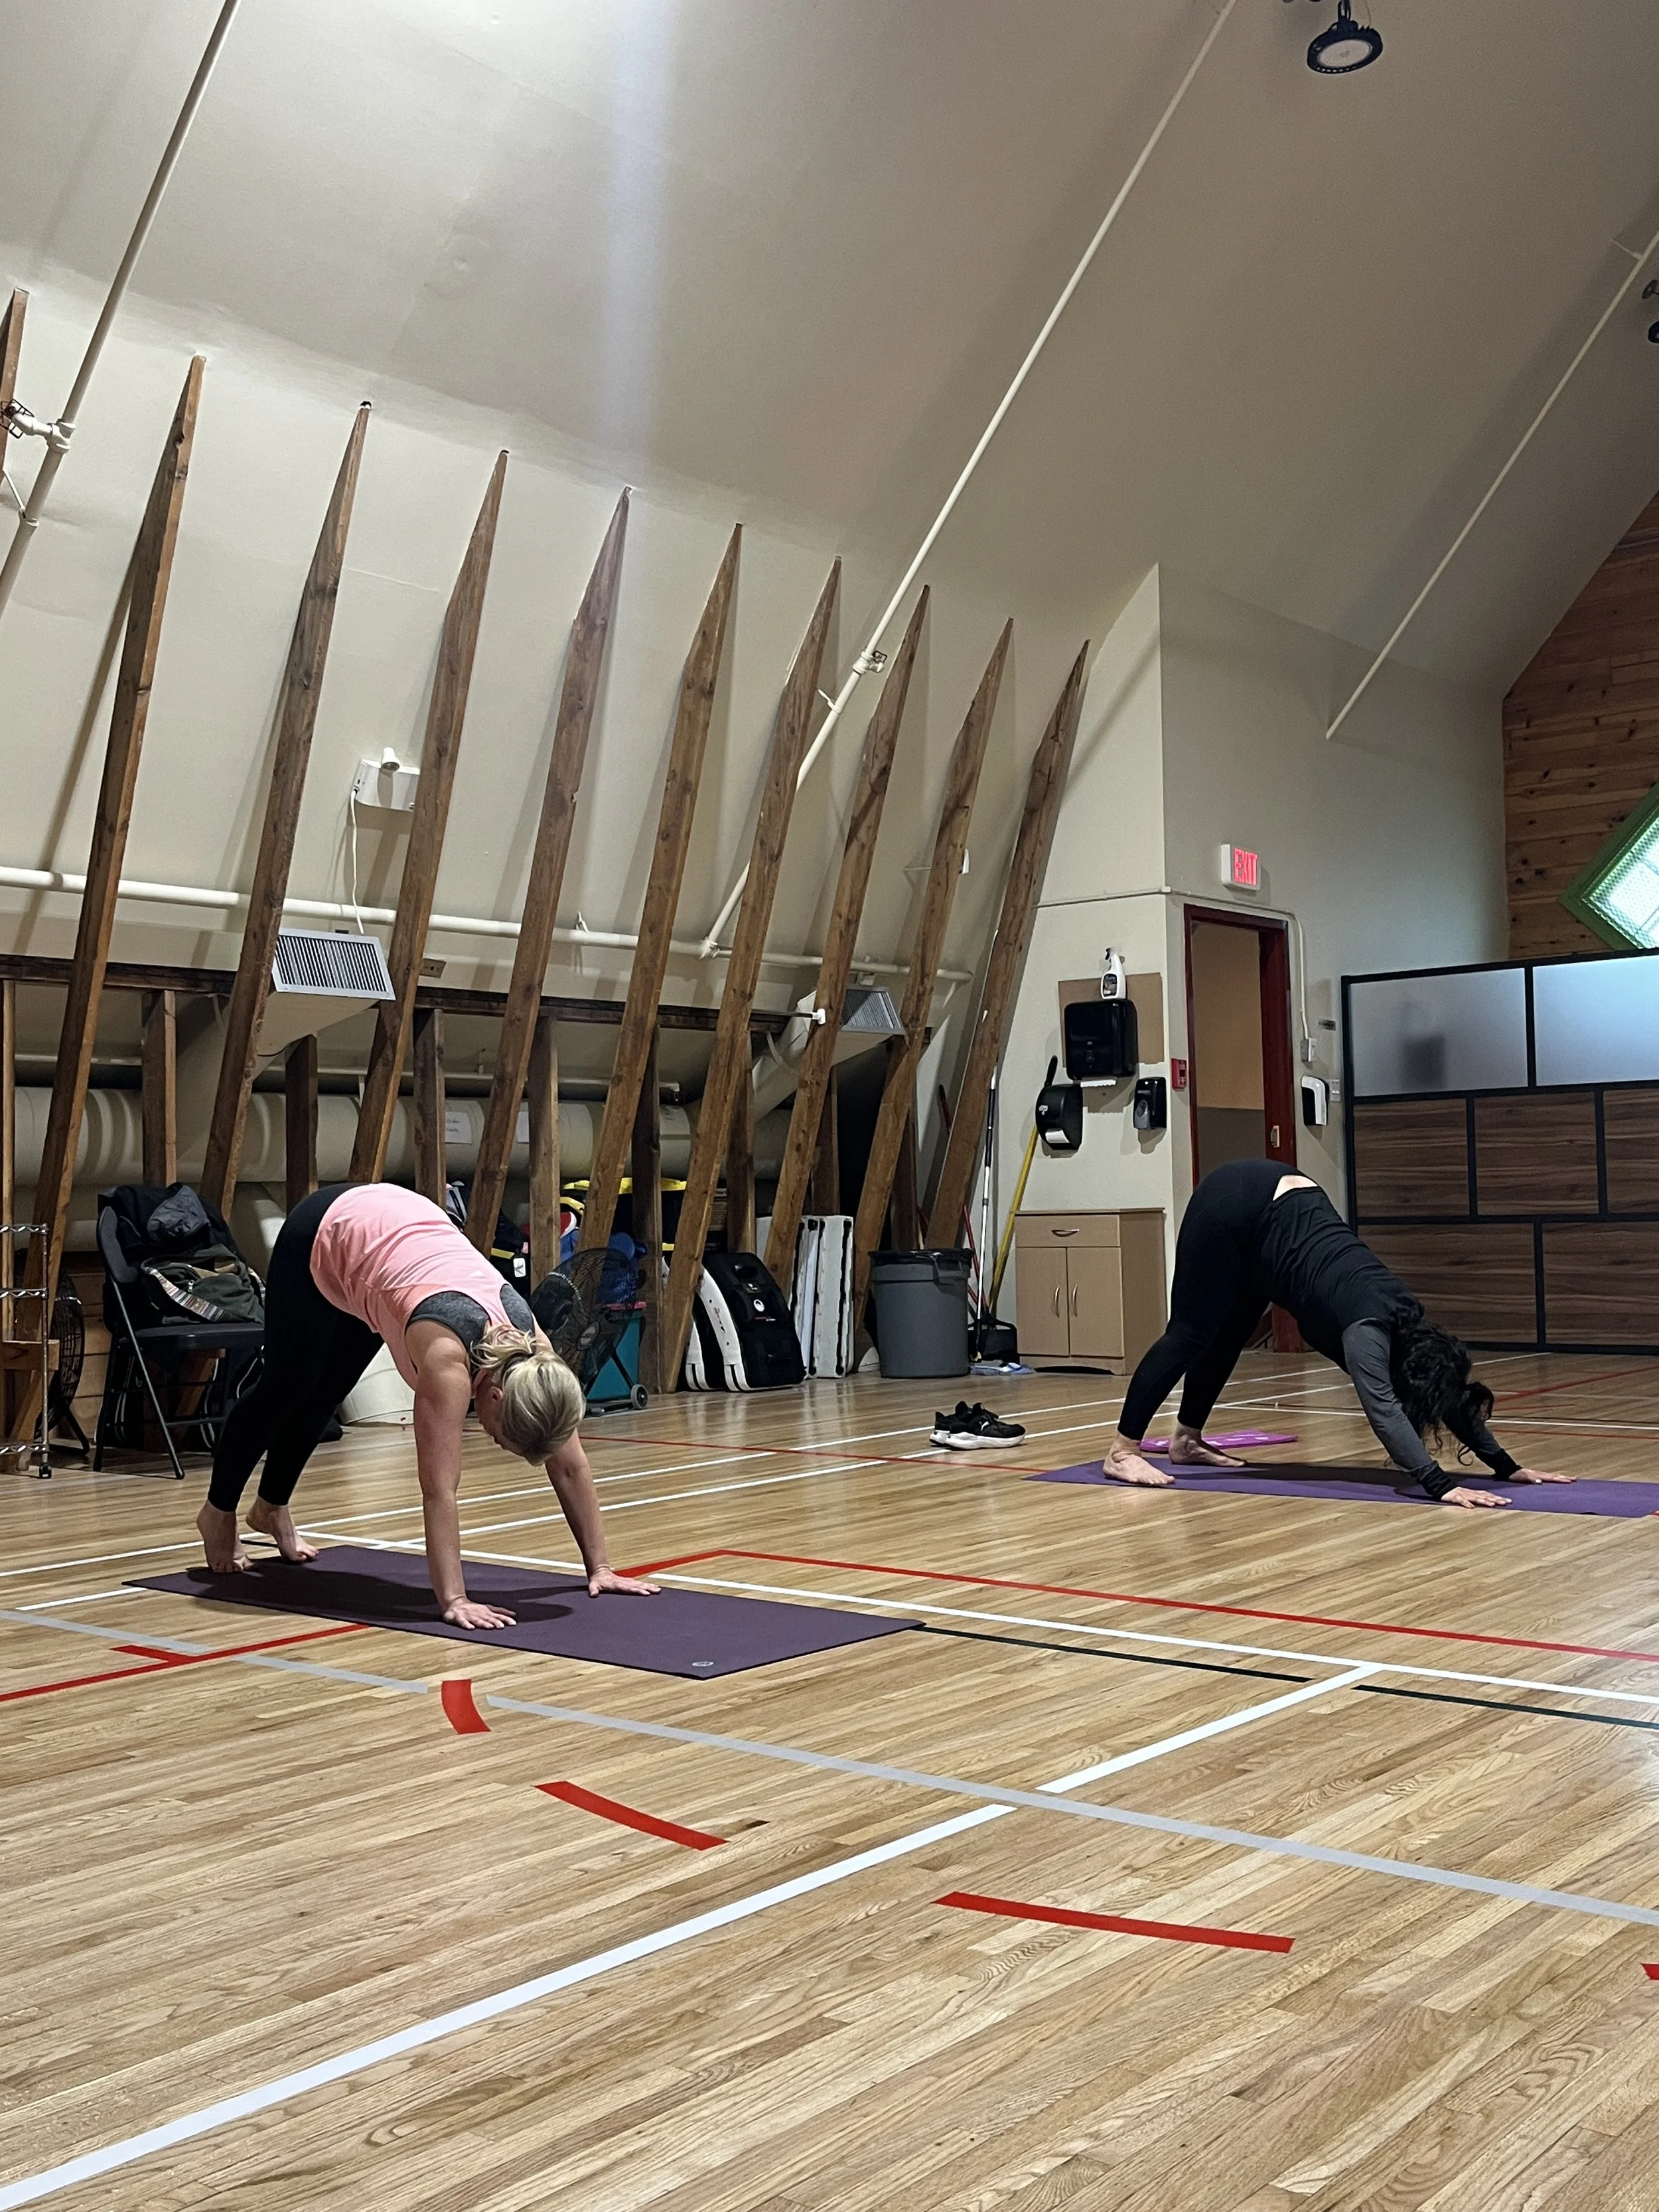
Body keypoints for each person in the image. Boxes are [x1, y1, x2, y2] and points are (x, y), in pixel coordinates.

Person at [196, 1182, 656, 1626]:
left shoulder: (538, 1360)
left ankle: (271, 1507)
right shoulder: (446, 1363)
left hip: (390, 1246)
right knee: (286, 1386)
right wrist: (454, 1598)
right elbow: (440, 1490)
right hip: (328, 1229)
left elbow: (571, 1466)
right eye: (502, 1437)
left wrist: (600, 1567)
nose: (497, 1443)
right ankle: (217, 1512)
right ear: (494, 1395)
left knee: (325, 1392)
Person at [1105, 1159, 1571, 1509]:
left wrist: (1507, 1467)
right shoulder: (1366, 1333)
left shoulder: (1411, 1326)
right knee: (1191, 1333)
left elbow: (1446, 1393)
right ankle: (1122, 1451)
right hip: (1234, 1203)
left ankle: (1186, 1440)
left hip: (1279, 1217)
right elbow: (1384, 1412)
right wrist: (1441, 1485)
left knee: (1231, 1333)